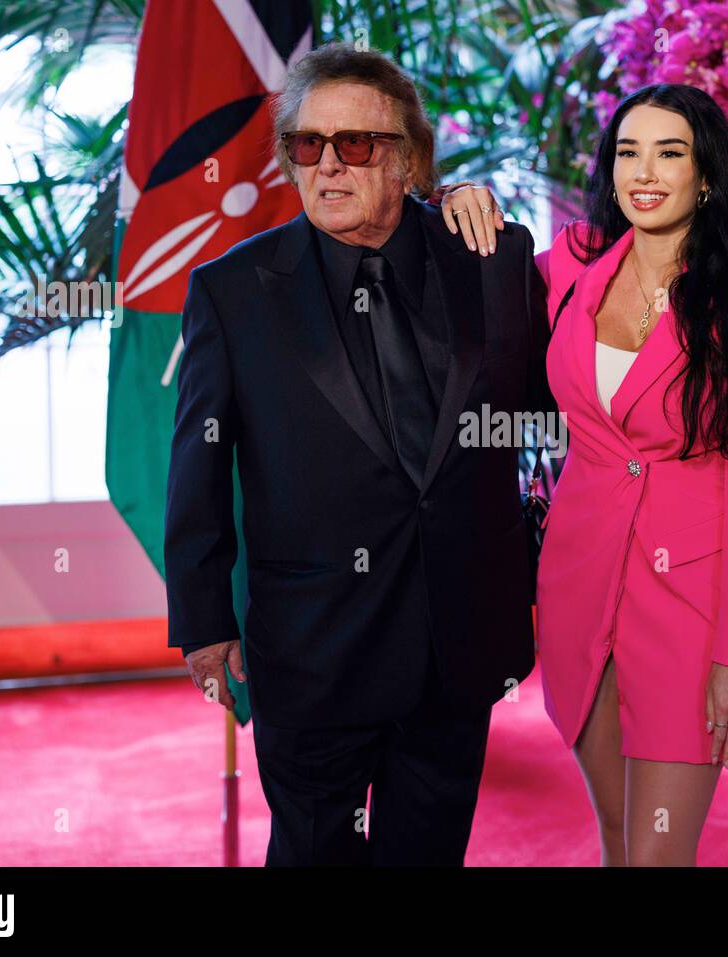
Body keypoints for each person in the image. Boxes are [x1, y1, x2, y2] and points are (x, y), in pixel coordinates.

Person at [164, 43, 552, 866]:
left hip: (459, 643)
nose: (329, 165)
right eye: (309, 144)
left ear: (409, 160)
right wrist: (203, 619)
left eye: (356, 143)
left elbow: (548, 415)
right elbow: (198, 464)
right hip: (313, 648)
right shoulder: (233, 290)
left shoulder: (495, 258)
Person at [441, 83, 728, 865]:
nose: (644, 171)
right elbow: (463, 275)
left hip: (691, 607)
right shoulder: (575, 260)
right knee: (619, 839)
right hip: (579, 584)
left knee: (657, 855)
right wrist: (454, 197)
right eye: (628, 152)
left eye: (669, 152)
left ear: (706, 177)